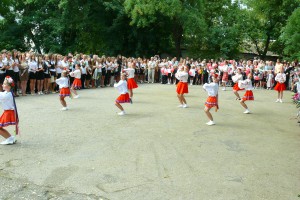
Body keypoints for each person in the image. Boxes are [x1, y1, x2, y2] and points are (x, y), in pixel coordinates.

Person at [0, 76, 19, 145]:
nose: (2, 85)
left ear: (9, 86)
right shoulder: (6, 93)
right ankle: (10, 138)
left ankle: (9, 138)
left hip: (8, 112)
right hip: (7, 112)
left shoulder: (6, 95)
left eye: (4, 84)